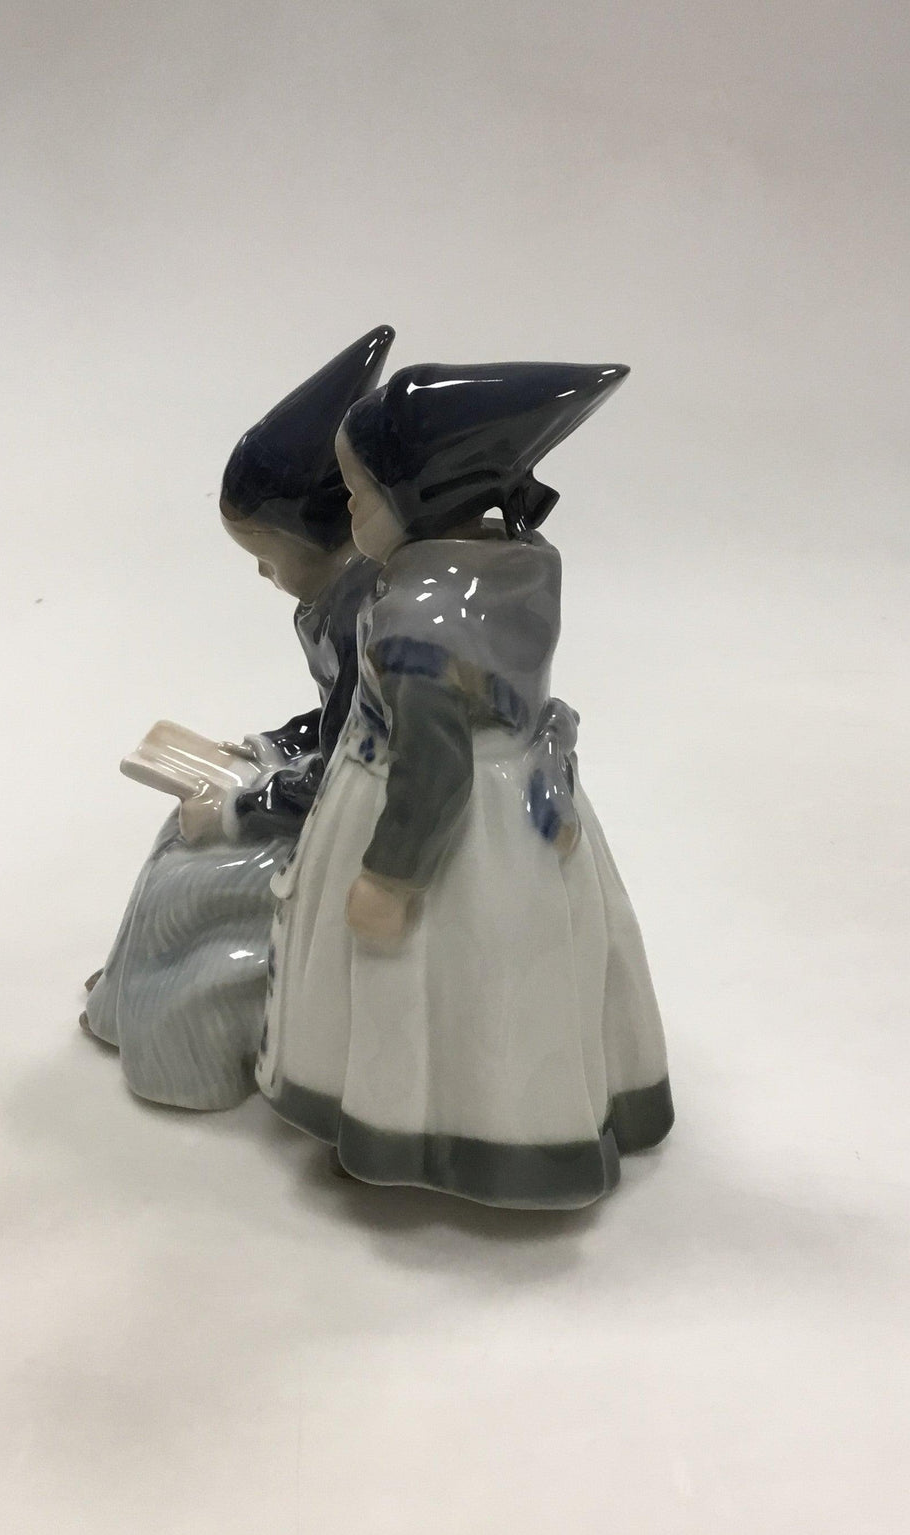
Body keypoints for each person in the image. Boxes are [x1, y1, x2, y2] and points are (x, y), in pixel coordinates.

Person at [258, 360, 673, 1206]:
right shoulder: (516, 567)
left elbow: (435, 768)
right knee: (527, 974)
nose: (346, 514)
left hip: (433, 825)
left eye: (358, 495)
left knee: (422, 979)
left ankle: (417, 1129)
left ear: (423, 497)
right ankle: (547, 1113)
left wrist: (390, 876)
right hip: (524, 807)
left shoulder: (416, 621)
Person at [81, 325, 393, 1109]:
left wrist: (241, 805)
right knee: (177, 836)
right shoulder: (332, 603)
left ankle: (181, 1049)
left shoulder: (369, 615)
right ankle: (124, 1001)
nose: (260, 571)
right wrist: (267, 745)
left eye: (266, 553)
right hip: (322, 790)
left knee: (194, 874)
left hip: (356, 823)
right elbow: (333, 720)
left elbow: (356, 762)